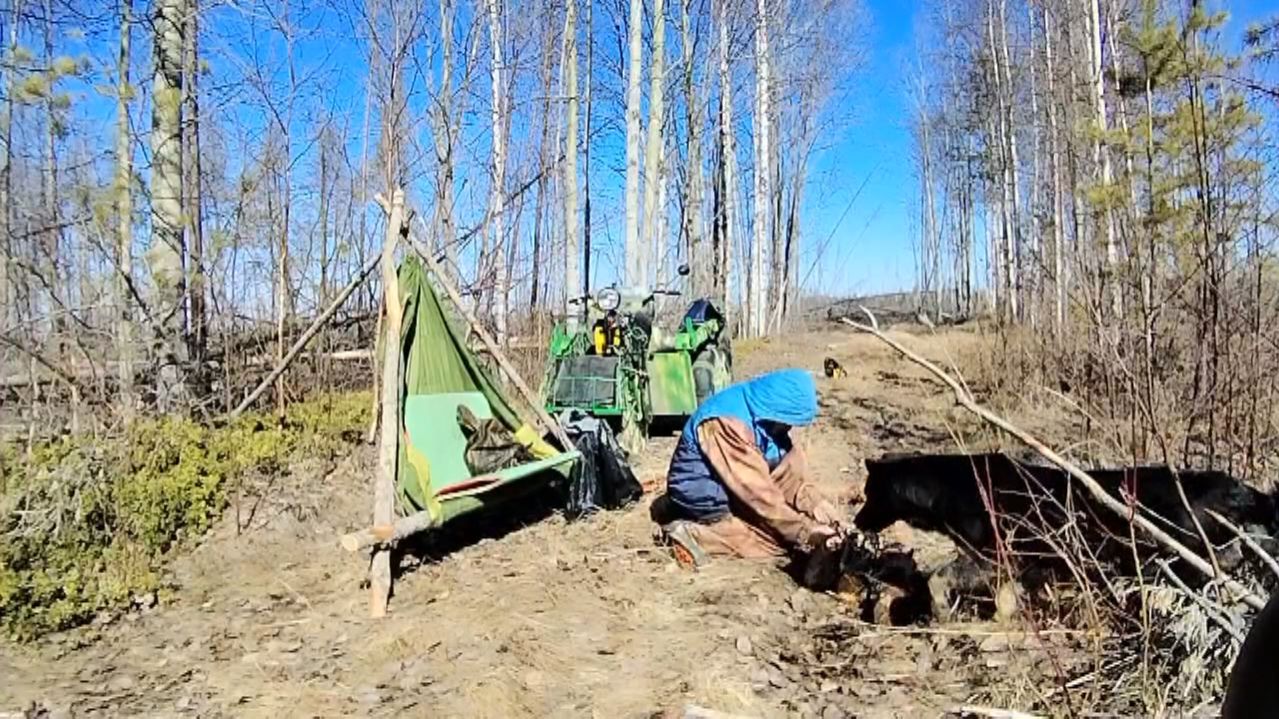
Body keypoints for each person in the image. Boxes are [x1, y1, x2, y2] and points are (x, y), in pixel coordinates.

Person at [653, 368, 845, 568]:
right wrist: (805, 532)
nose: (790, 428)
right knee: (773, 545)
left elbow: (788, 472)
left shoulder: (767, 417)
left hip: (732, 483)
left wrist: (816, 504)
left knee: (784, 519)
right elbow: (757, 494)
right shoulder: (727, 423)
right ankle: (691, 534)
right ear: (779, 411)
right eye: (789, 422)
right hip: (704, 493)